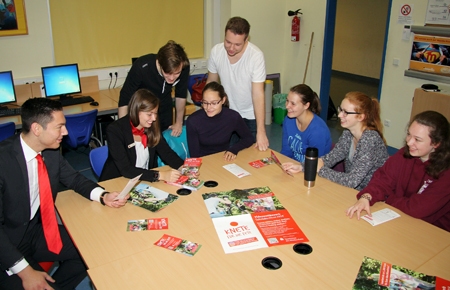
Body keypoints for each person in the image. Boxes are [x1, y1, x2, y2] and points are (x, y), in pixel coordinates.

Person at [0, 98, 128, 290]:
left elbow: (74, 179)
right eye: (60, 127)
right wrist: (25, 271)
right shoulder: (3, 161)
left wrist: (103, 195)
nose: (66, 132)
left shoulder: (49, 150)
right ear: (37, 129)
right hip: (6, 245)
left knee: (92, 251)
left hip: (35, 232)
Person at [347, 111, 450, 232]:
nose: (409, 142)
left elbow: (417, 209)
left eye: (417, 139)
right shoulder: (405, 154)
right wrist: (366, 197)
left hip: (435, 231)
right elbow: (382, 179)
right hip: (401, 217)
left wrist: (387, 198)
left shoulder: (446, 172)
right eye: (409, 135)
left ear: (436, 143)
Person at [283, 92, 389, 190]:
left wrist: (321, 169)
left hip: (371, 194)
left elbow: (352, 181)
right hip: (353, 192)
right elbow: (331, 158)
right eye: (340, 110)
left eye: (345, 113)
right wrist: (303, 166)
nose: (339, 115)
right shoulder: (348, 133)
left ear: (361, 117)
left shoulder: (370, 140)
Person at [206, 16, 269, 151]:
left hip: (251, 116)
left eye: (237, 44)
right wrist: (207, 108)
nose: (231, 48)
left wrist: (261, 130)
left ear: (246, 39)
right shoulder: (216, 52)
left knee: (251, 154)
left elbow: (258, 93)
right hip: (228, 113)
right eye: (228, 42)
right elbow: (211, 83)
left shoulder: (255, 56)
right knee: (226, 153)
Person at [101, 88, 184, 183]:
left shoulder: (151, 126)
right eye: (149, 114)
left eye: (155, 113)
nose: (154, 118)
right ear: (136, 111)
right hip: (118, 181)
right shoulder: (115, 130)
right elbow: (126, 169)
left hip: (144, 179)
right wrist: (160, 175)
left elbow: (166, 152)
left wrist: (183, 167)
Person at [118, 40, 190, 136]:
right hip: (143, 111)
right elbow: (124, 99)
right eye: (168, 73)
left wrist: (179, 123)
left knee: (162, 143)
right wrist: (124, 131)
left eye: (177, 73)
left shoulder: (183, 66)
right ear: (160, 63)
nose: (172, 78)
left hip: (164, 108)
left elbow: (181, 95)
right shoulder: (141, 67)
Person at [186, 81, 254, 161]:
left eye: (214, 103)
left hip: (223, 158)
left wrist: (233, 149)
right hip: (203, 161)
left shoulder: (232, 117)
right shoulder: (193, 121)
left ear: (223, 100)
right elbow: (195, 156)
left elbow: (249, 138)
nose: (208, 107)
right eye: (205, 102)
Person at [279, 84, 332, 163]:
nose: (287, 106)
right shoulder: (288, 120)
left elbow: (315, 163)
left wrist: (297, 167)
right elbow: (286, 151)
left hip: (312, 169)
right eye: (287, 101)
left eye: (293, 104)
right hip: (294, 165)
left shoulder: (318, 131)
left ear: (306, 105)